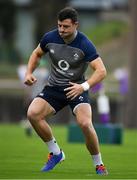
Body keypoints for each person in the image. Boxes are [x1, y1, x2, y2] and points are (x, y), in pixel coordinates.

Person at [24, 7, 108, 175]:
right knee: (33, 114)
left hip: (76, 88)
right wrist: (28, 72)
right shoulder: (50, 37)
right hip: (54, 87)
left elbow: (101, 71)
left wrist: (82, 87)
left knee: (85, 123)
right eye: (59, 26)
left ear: (76, 25)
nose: (61, 30)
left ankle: (99, 164)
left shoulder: (84, 44)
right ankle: (56, 153)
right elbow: (37, 53)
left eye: (66, 27)